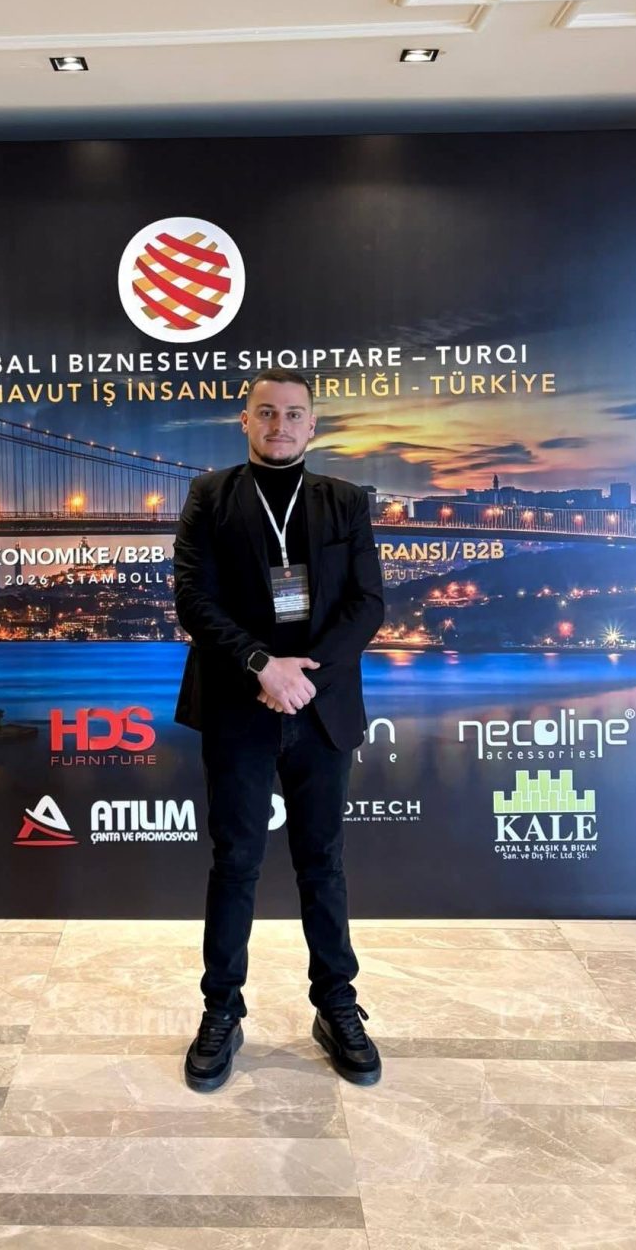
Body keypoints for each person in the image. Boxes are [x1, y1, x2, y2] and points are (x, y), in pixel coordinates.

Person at [173, 367, 385, 1092]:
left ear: (312, 425)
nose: (280, 425)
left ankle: (337, 1006)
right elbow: (193, 599)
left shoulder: (346, 500)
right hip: (238, 704)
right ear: (245, 420)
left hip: (321, 707)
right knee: (235, 862)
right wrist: (262, 666)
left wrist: (302, 676)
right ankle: (221, 1012)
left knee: (322, 862)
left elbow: (367, 604)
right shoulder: (209, 495)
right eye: (266, 412)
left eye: (294, 414)